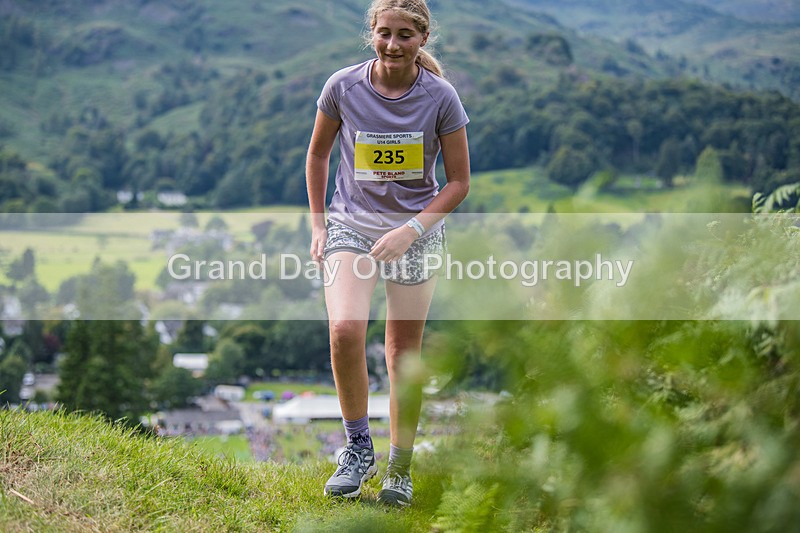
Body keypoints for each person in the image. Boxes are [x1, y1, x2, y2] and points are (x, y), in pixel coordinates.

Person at [305, 0, 470, 506]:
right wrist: (317, 225)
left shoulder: (440, 96)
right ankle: (357, 450)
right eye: (384, 33)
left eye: (404, 35)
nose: (393, 45)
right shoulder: (343, 86)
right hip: (350, 226)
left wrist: (410, 231)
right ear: (371, 34)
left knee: (403, 356)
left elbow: (459, 182)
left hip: (415, 233)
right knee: (345, 331)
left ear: (422, 39)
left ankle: (400, 469)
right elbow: (317, 154)